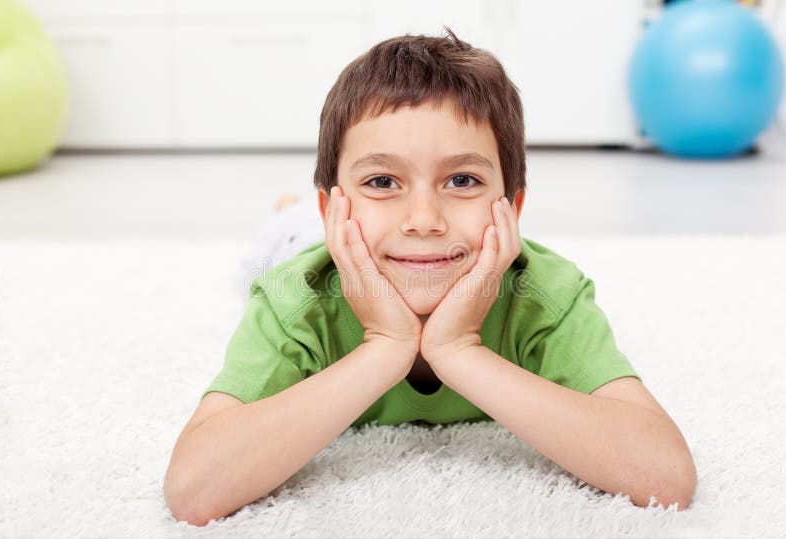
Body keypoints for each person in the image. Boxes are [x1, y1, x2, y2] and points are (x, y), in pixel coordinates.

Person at [164, 27, 697, 526]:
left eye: (462, 180)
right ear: (334, 210)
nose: (424, 219)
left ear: (512, 206)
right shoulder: (294, 299)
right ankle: (293, 211)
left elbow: (665, 476)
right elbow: (193, 490)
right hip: (304, 241)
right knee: (282, 233)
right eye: (382, 180)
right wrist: (385, 345)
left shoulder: (546, 293)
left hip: (366, 239)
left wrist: (461, 348)